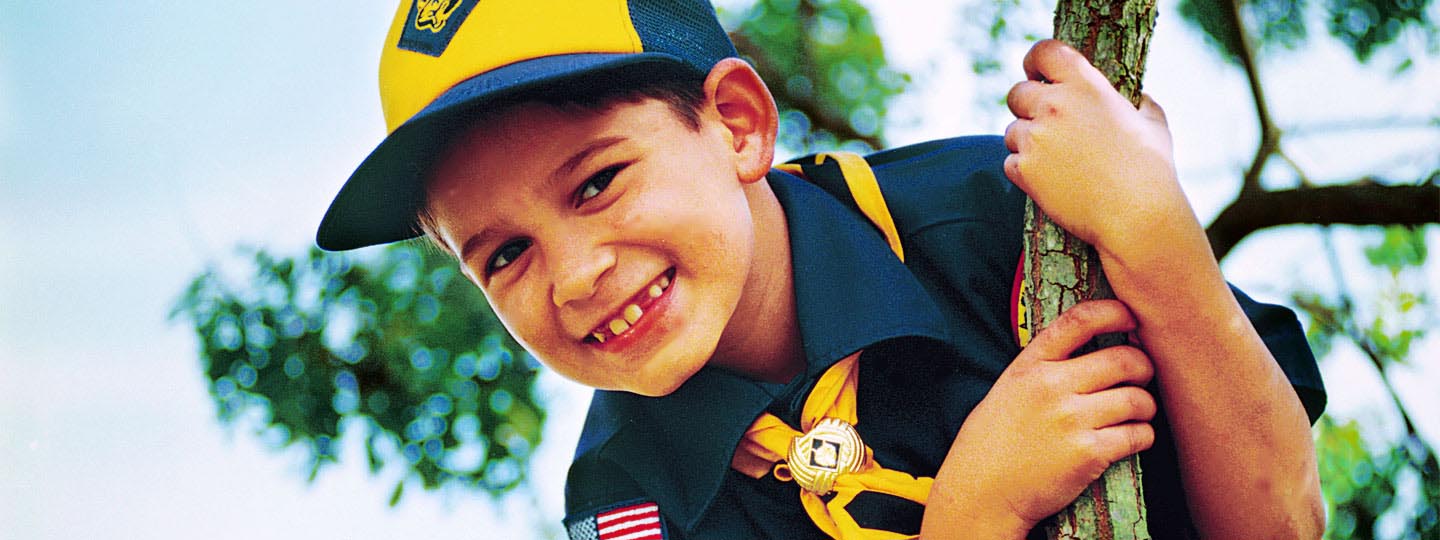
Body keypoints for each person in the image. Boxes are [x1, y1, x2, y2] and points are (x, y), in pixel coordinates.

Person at [316, 1, 1328, 538]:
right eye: (503, 254)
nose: (575, 275)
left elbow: (1282, 525)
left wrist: (1158, 244)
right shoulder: (629, 500)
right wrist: (972, 517)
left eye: (595, 184)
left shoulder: (989, 219)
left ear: (740, 127)